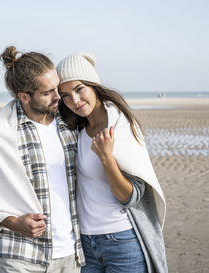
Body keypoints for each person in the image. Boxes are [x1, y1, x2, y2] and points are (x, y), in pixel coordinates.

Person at [0, 46, 85, 273]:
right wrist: (14, 223)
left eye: (57, 87)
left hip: (72, 253)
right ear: (24, 97)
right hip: (22, 256)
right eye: (47, 92)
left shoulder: (70, 122)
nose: (58, 96)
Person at [56, 53, 168, 273]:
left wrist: (106, 158)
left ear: (94, 85)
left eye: (79, 89)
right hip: (85, 244)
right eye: (65, 95)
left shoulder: (121, 126)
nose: (74, 101)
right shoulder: (76, 130)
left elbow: (130, 196)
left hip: (121, 242)